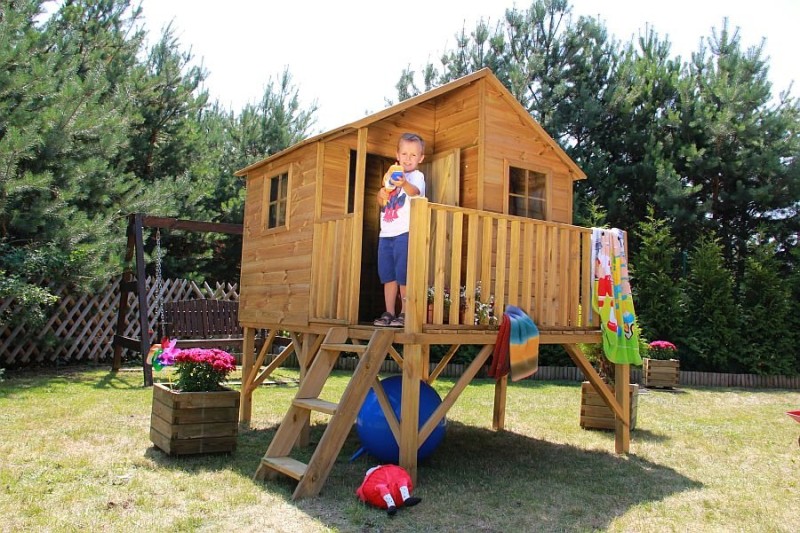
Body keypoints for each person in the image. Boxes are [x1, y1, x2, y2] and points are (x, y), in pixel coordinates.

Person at [373, 132, 426, 327]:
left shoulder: (416, 177)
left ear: (420, 158)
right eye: (404, 154)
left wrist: (403, 183)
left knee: (403, 275)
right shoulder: (391, 176)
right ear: (397, 155)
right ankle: (389, 312)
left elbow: (415, 192)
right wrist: (381, 193)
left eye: (413, 155)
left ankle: (404, 312)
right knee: (388, 275)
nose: (408, 158)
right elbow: (381, 202)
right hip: (386, 234)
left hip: (405, 232)